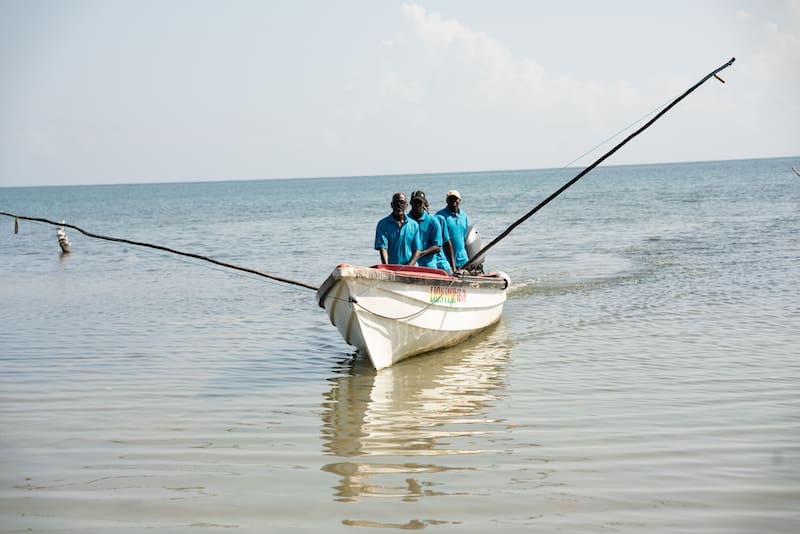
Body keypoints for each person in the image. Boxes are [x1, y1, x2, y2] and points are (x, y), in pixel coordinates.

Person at [374, 192, 422, 265]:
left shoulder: (414, 225)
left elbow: (417, 250)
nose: (399, 205)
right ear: (391, 205)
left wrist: (409, 266)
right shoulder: (383, 224)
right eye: (396, 202)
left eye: (402, 202)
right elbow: (383, 248)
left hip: (411, 268)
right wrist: (387, 268)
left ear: (406, 206)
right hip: (392, 268)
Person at [408, 190, 444, 270]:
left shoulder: (433, 221)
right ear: (410, 203)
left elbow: (437, 247)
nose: (418, 205)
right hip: (409, 264)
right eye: (415, 202)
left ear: (424, 203)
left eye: (420, 202)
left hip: (428, 265)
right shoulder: (406, 220)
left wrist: (419, 254)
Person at [436, 189, 469, 271]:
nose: (453, 201)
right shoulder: (440, 216)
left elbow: (463, 237)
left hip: (463, 259)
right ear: (447, 201)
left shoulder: (464, 216)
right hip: (447, 261)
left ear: (460, 200)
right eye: (451, 199)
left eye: (455, 199)